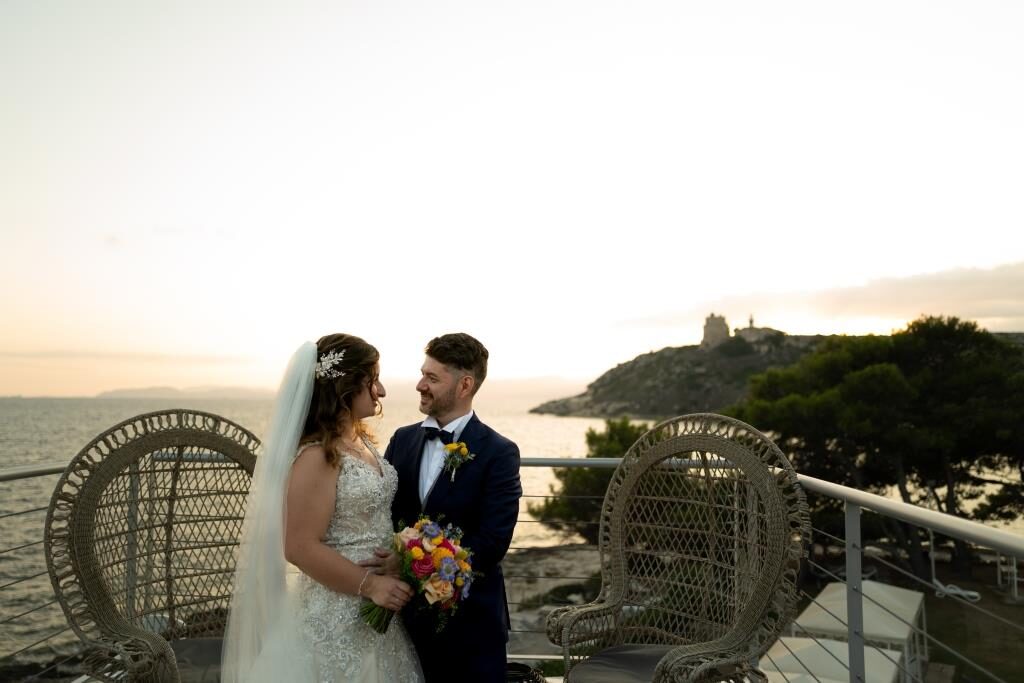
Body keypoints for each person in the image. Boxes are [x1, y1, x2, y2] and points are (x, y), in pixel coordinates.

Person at [222, 334, 424, 683]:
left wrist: (398, 560)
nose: (381, 391)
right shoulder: (317, 456)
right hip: (335, 617)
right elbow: (298, 547)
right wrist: (370, 586)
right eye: (373, 380)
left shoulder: (361, 442)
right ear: (346, 387)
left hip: (377, 612)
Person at [378, 333, 522, 682]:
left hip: (471, 626)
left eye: (432, 378)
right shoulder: (402, 440)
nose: (420, 385)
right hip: (402, 622)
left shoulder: (500, 452)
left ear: (465, 385)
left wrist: (411, 563)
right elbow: (383, 514)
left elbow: (492, 542)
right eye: (422, 374)